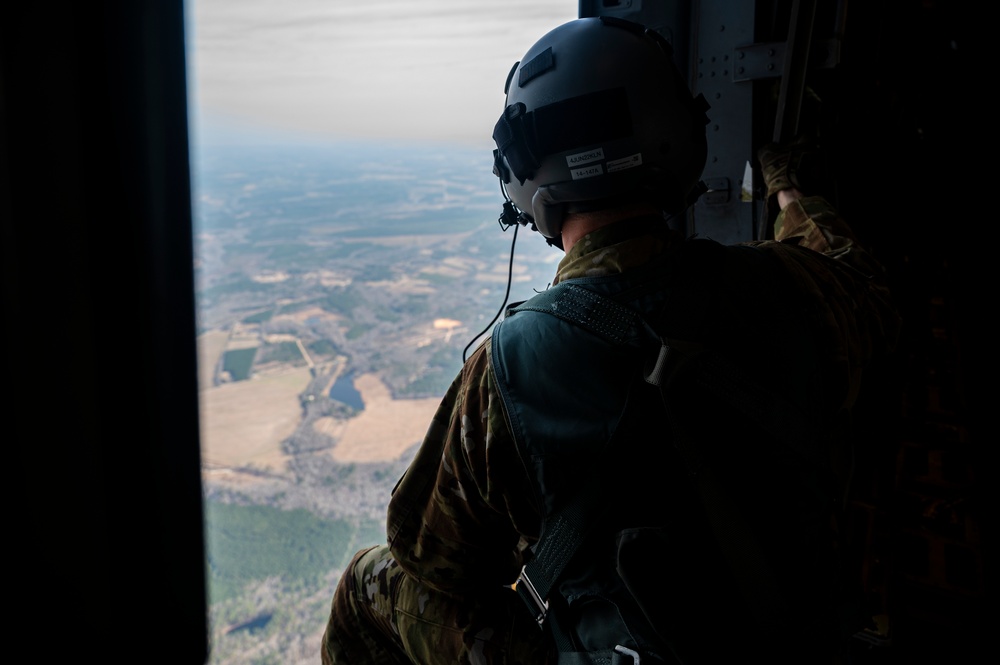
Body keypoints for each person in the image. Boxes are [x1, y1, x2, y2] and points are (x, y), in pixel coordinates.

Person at [321, 16, 899, 665]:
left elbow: (425, 551)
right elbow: (862, 278)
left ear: (521, 175)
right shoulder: (797, 284)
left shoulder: (507, 368)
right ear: (681, 139)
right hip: (801, 634)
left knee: (371, 581)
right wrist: (787, 187)